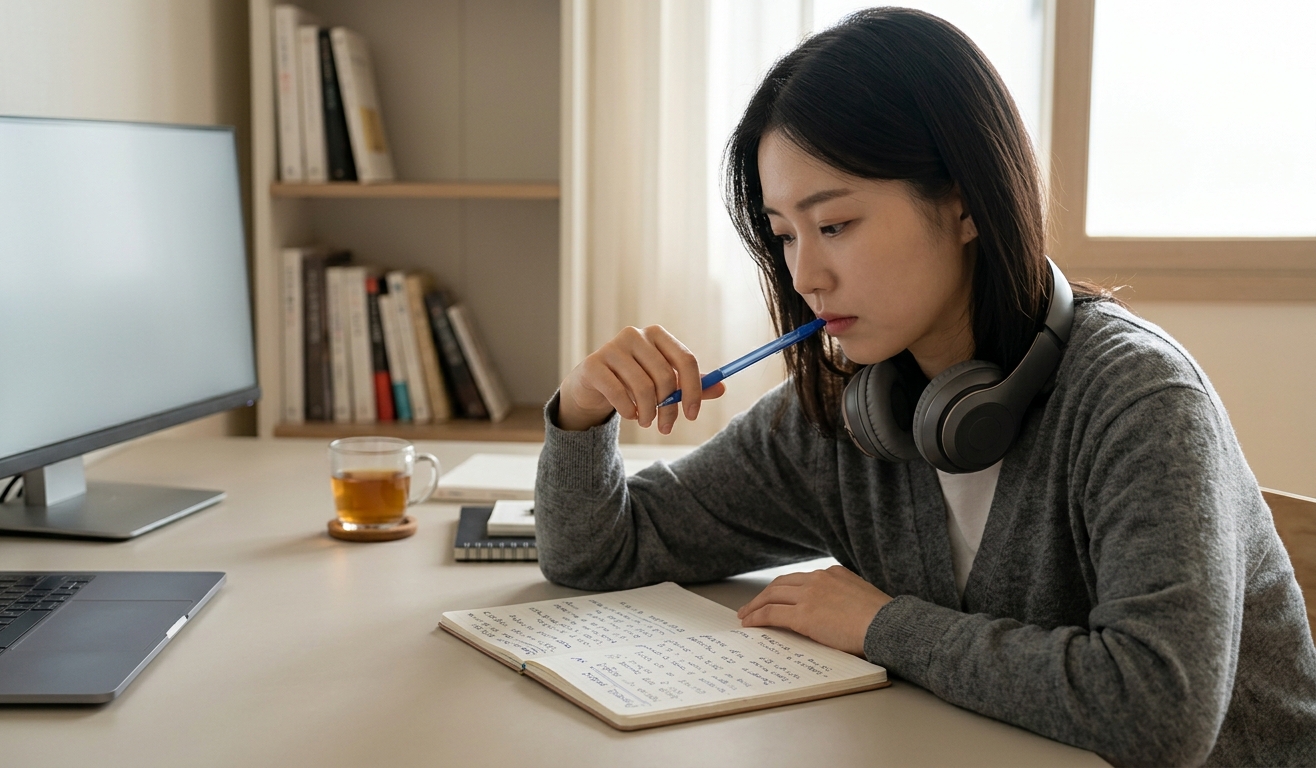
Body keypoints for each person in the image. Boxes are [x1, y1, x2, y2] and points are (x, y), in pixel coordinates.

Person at [533, 8, 1316, 766]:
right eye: (784, 235)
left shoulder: (1139, 400)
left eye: (834, 224)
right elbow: (599, 553)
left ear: (965, 202)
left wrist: (883, 625)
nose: (806, 275)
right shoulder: (844, 414)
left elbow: (1159, 715)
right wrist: (581, 409)